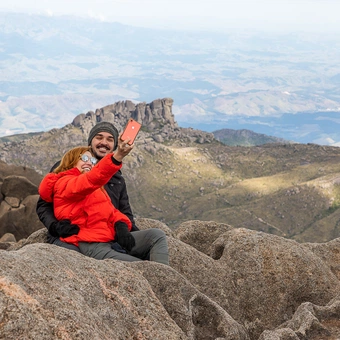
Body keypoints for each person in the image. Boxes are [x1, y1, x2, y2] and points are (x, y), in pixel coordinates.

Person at [38, 143, 169, 265]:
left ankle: (164, 277)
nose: (89, 162)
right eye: (84, 158)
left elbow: (112, 211)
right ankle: (159, 284)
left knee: (156, 235)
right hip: (91, 243)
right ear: (71, 161)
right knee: (139, 268)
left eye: (93, 161)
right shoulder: (65, 183)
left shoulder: (97, 189)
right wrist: (117, 156)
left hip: (109, 237)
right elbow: (90, 180)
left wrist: (121, 225)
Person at [36, 122, 137, 252]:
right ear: (90, 142)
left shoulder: (117, 178)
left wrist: (125, 230)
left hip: (105, 235)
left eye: (110, 139)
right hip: (72, 235)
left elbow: (124, 210)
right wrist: (55, 226)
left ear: (114, 146)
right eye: (99, 137)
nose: (104, 143)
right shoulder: (67, 168)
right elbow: (43, 205)